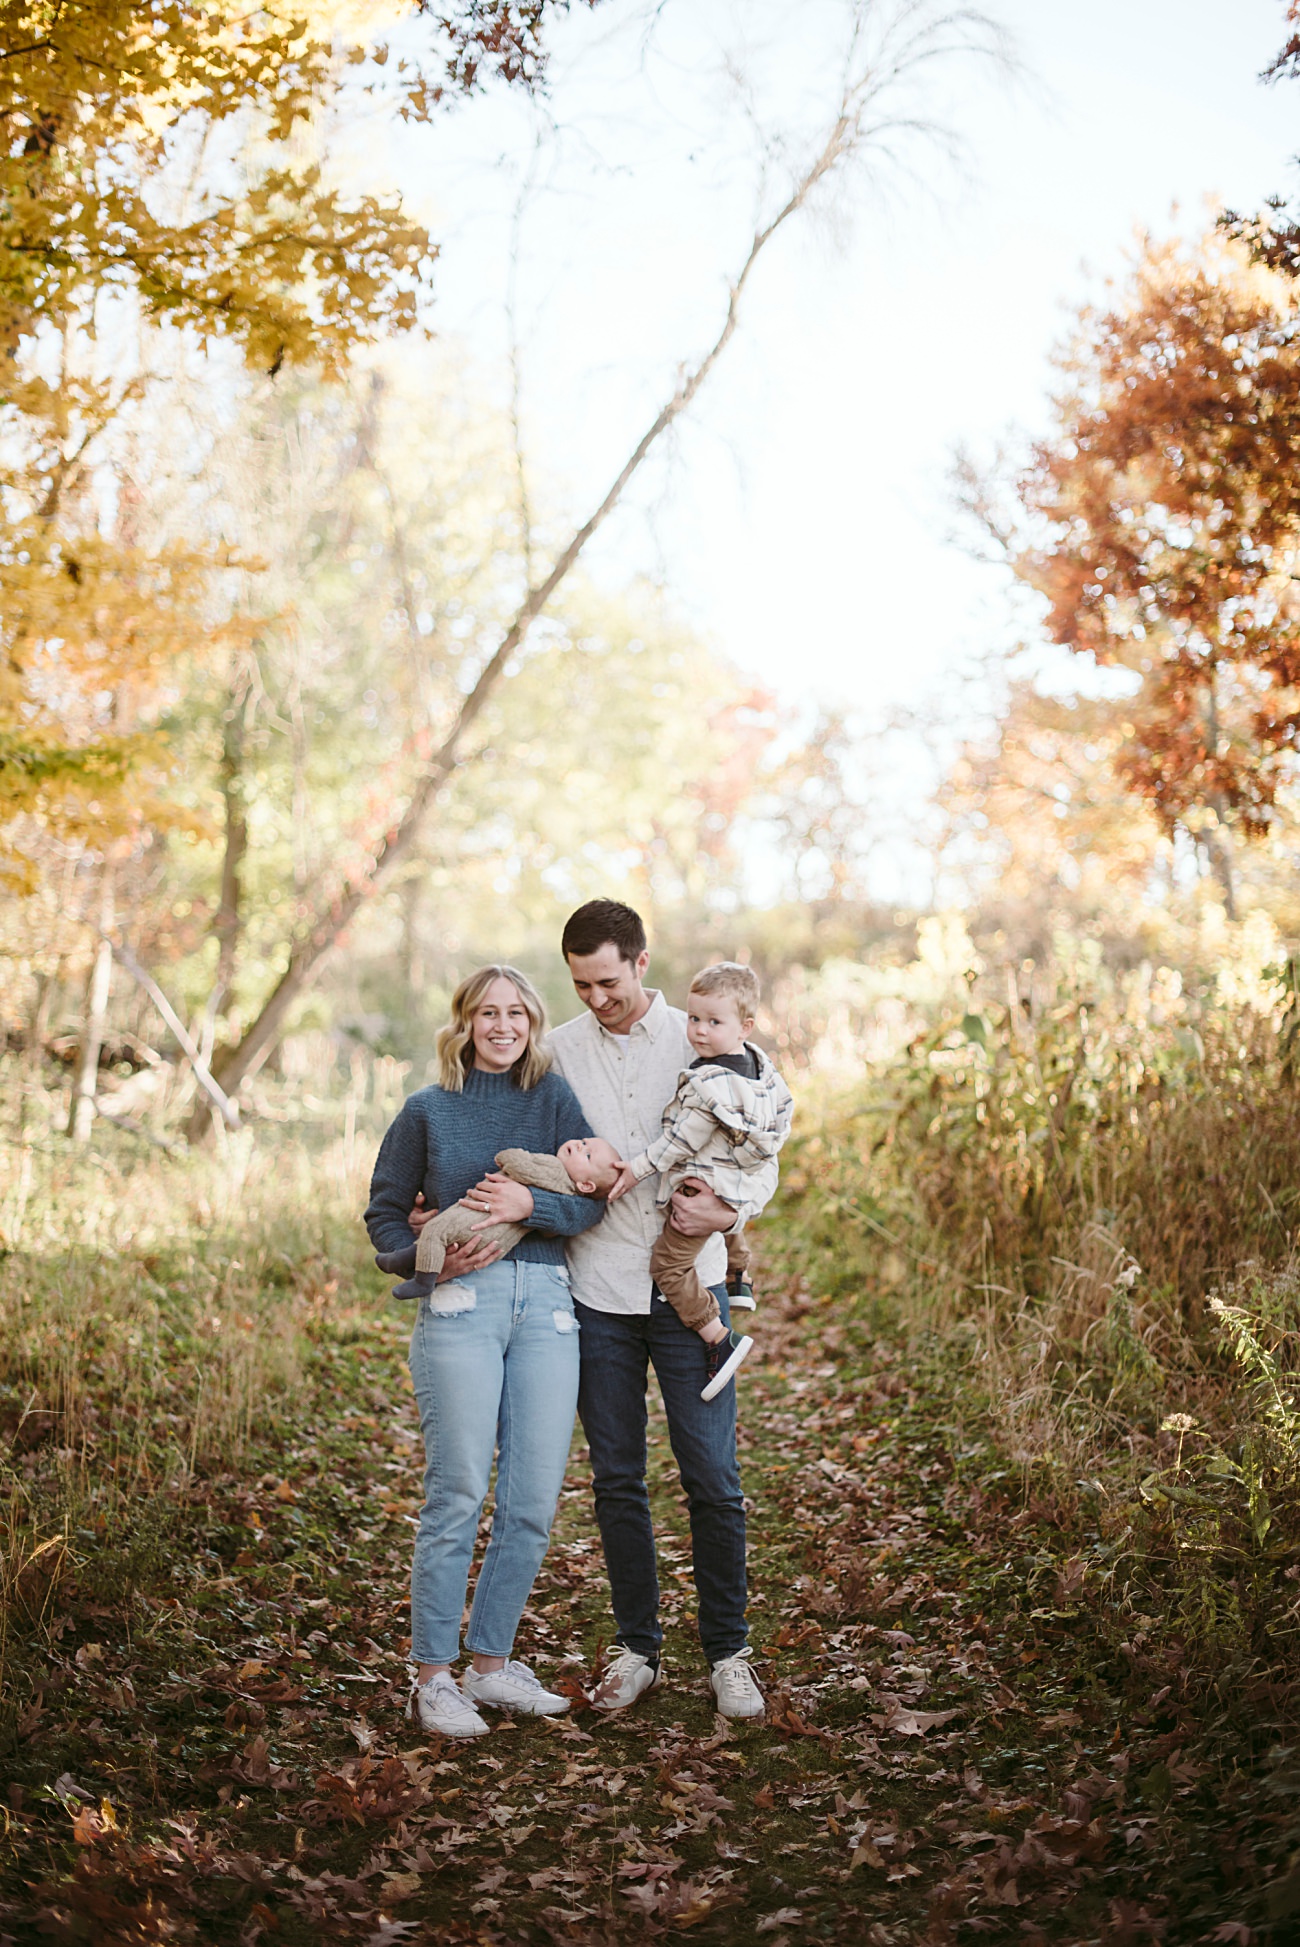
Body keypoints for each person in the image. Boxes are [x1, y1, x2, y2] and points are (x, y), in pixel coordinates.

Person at [364, 965, 605, 1738]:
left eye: (517, 1014)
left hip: (548, 1307)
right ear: (464, 1022)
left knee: (532, 1501)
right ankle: (433, 1675)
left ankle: (492, 1666)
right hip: (462, 1306)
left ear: (533, 1023)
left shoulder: (555, 1099)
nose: (502, 1026)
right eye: (487, 1013)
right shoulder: (425, 1110)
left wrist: (532, 1203)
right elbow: (385, 1215)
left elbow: (591, 1197)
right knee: (458, 1492)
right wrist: (424, 1260)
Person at [548, 899, 766, 1720]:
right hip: (596, 1290)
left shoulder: (704, 1032)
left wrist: (735, 1212)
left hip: (690, 1285)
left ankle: (729, 1652)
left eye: (607, 980)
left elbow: (768, 1141)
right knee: (618, 1478)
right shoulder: (560, 1050)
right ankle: (636, 1646)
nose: (595, 998)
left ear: (642, 964)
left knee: (712, 1476)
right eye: (580, 984)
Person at [608, 961, 794, 1400]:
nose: (699, 1031)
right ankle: (739, 1275)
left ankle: (717, 1336)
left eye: (714, 1022)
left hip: (701, 1186)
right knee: (723, 1216)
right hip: (734, 1182)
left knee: (668, 1265)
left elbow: (676, 1142)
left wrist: (635, 1171)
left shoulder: (708, 1083)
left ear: (745, 1026)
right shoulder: (759, 1071)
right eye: (693, 1018)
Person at [375, 1136, 624, 1298]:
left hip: (481, 1222)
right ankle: (404, 1258)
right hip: (498, 1244)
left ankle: (422, 1280)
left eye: (587, 1154)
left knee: (437, 1231)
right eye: (583, 1141)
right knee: (438, 1235)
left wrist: (511, 1164)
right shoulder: (568, 1186)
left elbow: (519, 1165)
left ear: (586, 1186)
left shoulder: (554, 1164)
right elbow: (385, 1208)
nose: (580, 1145)